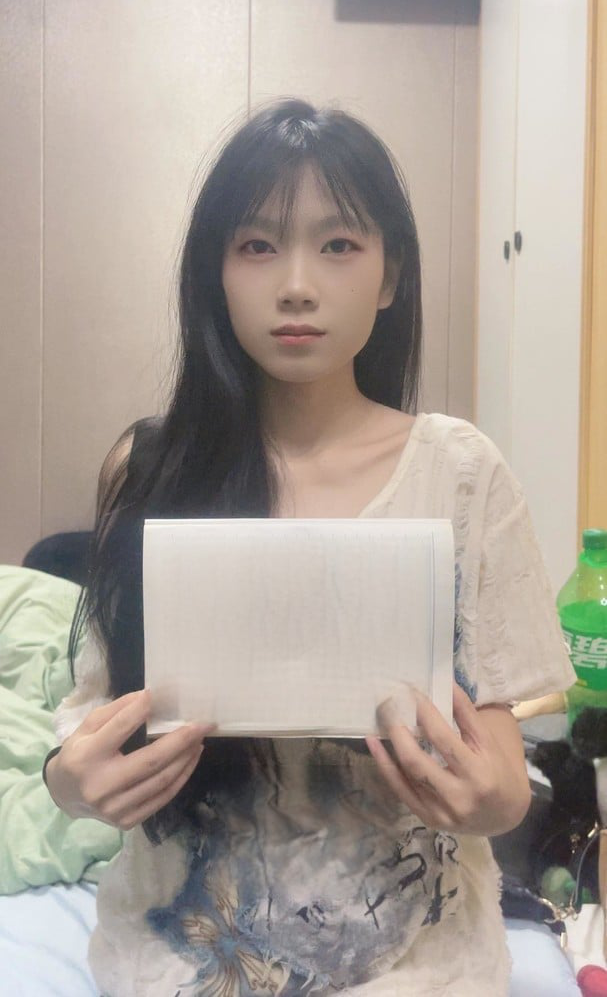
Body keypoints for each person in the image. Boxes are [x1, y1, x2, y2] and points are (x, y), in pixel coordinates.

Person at [43, 99, 575, 996]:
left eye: (337, 245)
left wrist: (488, 798)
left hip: (418, 963)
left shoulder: (459, 473)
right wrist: (77, 786)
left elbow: (503, 784)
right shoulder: (149, 468)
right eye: (257, 245)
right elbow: (86, 733)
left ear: (389, 274)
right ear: (214, 272)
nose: (296, 285)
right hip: (180, 958)